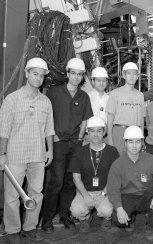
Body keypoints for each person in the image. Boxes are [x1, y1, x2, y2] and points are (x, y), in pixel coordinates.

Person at [0, 57, 54, 242]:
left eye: (41, 75)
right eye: (35, 74)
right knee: (12, 196)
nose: (38, 78)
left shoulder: (46, 102)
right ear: (26, 74)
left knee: (36, 194)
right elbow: (4, 129)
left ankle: (30, 227)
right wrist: (2, 154)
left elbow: (49, 129)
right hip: (15, 155)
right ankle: (13, 230)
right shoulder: (12, 99)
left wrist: (50, 150)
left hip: (38, 156)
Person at [41, 58, 93, 233]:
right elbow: (47, 116)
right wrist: (53, 137)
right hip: (58, 143)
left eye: (80, 75)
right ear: (68, 73)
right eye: (74, 73)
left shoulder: (83, 96)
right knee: (55, 181)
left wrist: (79, 138)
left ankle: (64, 214)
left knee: (70, 182)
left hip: (75, 145)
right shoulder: (54, 93)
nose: (76, 77)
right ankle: (47, 219)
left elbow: (85, 120)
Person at [107, 126, 153, 242]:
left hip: (146, 196)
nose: (134, 146)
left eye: (137, 142)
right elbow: (113, 189)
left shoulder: (151, 159)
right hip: (127, 197)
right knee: (116, 219)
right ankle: (129, 219)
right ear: (125, 143)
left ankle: (149, 226)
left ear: (142, 143)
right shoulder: (117, 164)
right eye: (130, 142)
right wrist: (119, 209)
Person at [68, 116, 119, 232]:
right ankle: (85, 218)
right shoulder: (80, 152)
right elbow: (76, 178)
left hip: (105, 191)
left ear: (104, 132)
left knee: (107, 210)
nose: (95, 134)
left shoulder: (112, 151)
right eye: (92, 131)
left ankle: (107, 218)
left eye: (99, 131)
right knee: (76, 210)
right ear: (87, 132)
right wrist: (85, 195)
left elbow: (115, 177)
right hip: (85, 191)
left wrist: (103, 194)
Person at [106, 62, 145, 154]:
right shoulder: (115, 94)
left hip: (135, 133)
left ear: (138, 76)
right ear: (124, 75)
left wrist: (141, 137)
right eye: (129, 73)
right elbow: (110, 117)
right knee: (117, 160)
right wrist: (110, 138)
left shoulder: (140, 95)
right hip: (119, 132)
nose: (132, 76)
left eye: (134, 74)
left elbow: (142, 119)